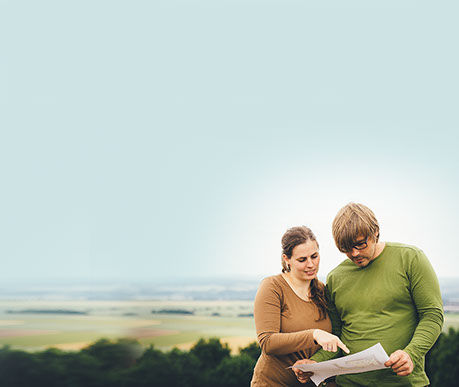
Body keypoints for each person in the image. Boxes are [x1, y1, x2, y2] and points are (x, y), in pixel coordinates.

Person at [294, 203, 444, 386]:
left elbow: (432, 315)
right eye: (346, 248)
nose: (355, 253)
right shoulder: (335, 277)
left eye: (360, 244)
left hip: (404, 383)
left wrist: (411, 353)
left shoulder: (411, 258)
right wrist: (315, 362)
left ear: (376, 232)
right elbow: (337, 337)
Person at [251, 226, 349, 387]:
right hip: (273, 383)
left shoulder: (323, 291)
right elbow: (267, 342)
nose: (310, 264)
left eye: (314, 256)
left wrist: (314, 362)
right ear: (287, 259)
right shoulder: (273, 286)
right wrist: (314, 334)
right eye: (302, 260)